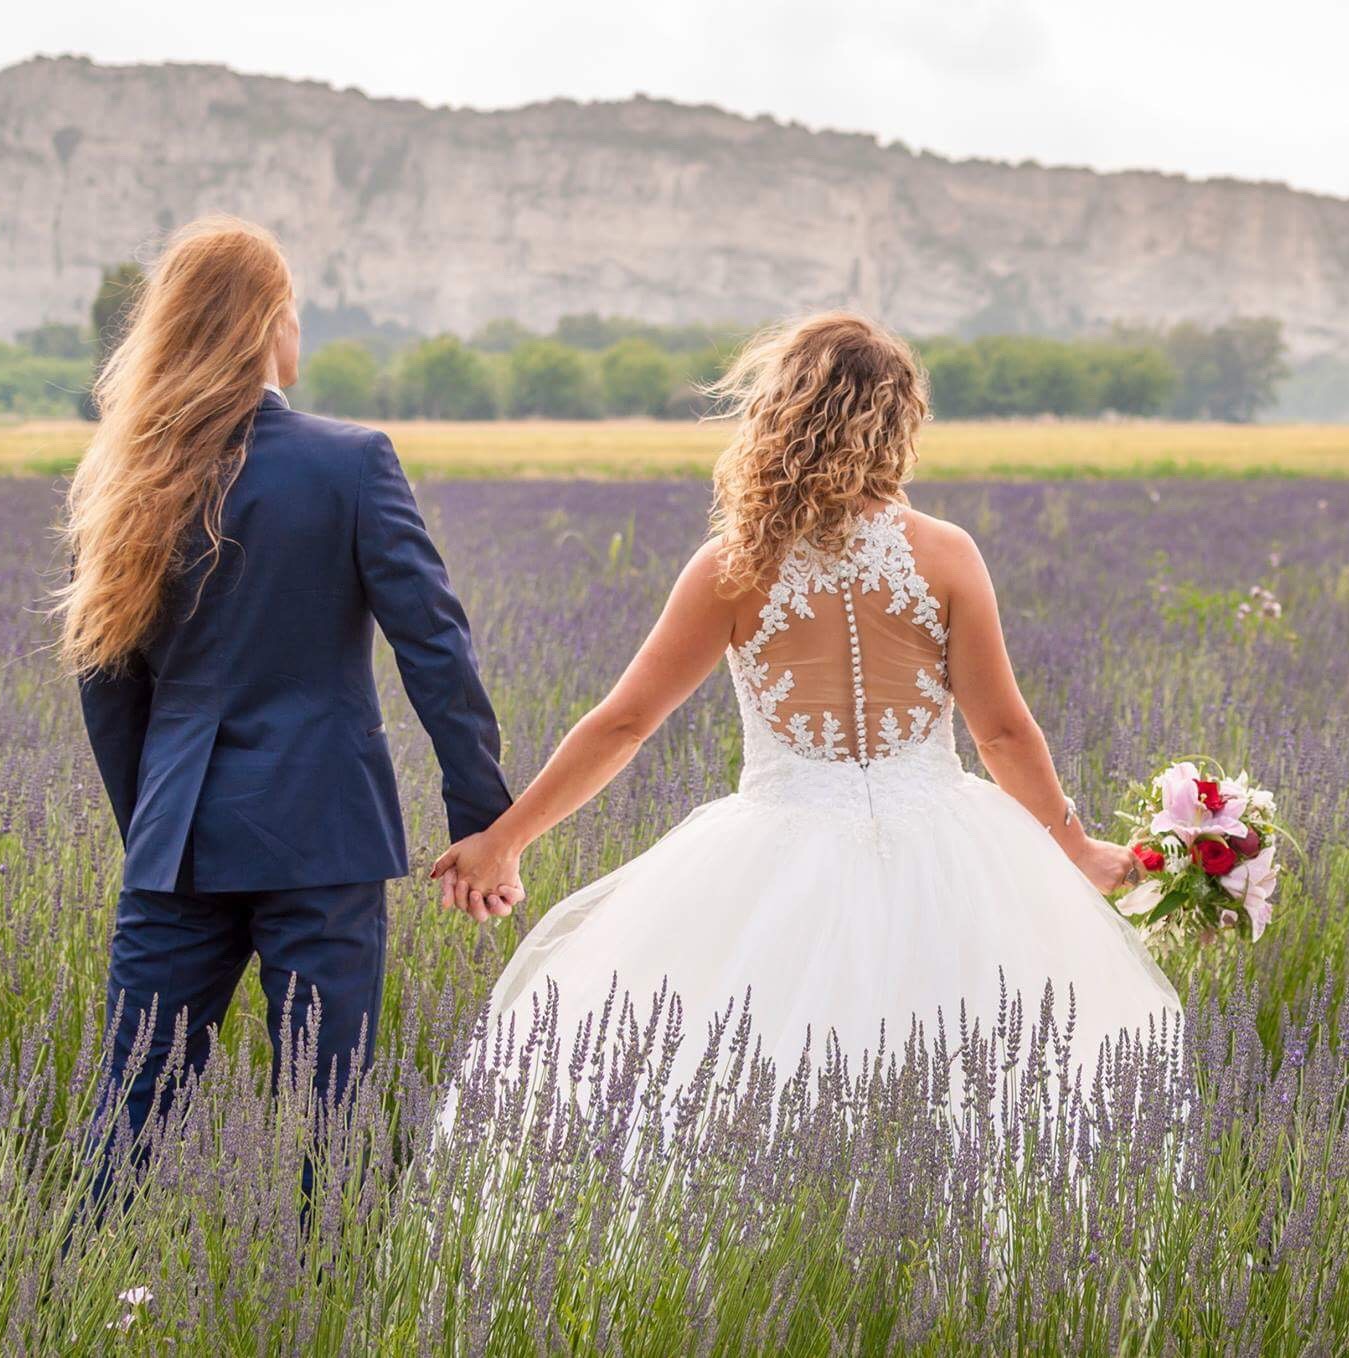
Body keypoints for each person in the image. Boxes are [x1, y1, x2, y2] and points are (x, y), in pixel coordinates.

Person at [432, 311, 1179, 1115]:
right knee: (990, 1075)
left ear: (778, 414)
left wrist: (504, 840)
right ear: (899, 422)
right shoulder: (947, 554)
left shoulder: (733, 564)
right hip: (949, 849)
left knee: (740, 1081)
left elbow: (625, 724)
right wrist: (1076, 850)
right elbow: (1001, 732)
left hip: (775, 850)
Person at [56, 215, 511, 1147]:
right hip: (325, 833)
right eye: (295, 312)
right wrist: (480, 820)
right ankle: (326, 1294)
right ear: (270, 321)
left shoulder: (128, 471)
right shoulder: (351, 463)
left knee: (129, 1114)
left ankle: (71, 1295)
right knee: (327, 1118)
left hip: (177, 841)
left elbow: (105, 679)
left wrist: (154, 825)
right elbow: (435, 648)